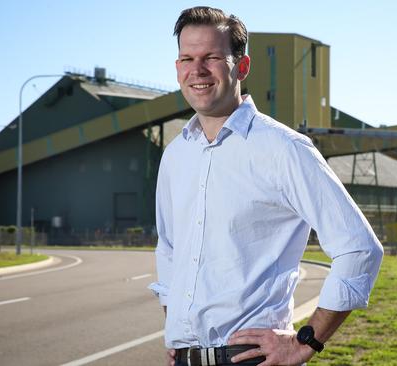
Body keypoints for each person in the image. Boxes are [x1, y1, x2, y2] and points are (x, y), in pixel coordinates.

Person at [149, 6, 383, 366]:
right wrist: (179, 329)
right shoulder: (176, 155)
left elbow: (359, 248)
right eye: (186, 58)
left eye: (211, 57)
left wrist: (307, 341)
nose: (197, 70)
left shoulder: (283, 148)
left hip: (252, 360)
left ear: (241, 67)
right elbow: (169, 251)